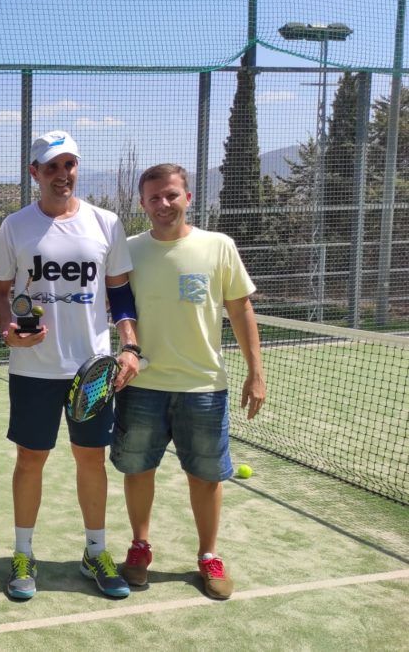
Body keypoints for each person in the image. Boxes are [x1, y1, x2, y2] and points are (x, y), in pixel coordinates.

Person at [0, 130, 140, 601]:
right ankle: (23, 553)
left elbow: (119, 291)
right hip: (32, 368)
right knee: (30, 459)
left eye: (68, 164)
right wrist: (8, 328)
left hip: (91, 368)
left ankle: (95, 551)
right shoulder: (15, 226)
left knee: (91, 459)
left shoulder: (107, 223)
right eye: (51, 167)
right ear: (35, 173)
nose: (62, 175)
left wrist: (129, 345)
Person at [110, 163, 266, 600]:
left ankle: (208, 556)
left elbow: (240, 310)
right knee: (138, 470)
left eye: (172, 195)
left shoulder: (218, 246)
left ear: (188, 198)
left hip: (204, 387)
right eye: (154, 197)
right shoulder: (128, 251)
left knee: (206, 477)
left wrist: (256, 371)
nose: (164, 204)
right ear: (142, 203)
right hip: (141, 386)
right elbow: (121, 309)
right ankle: (140, 548)